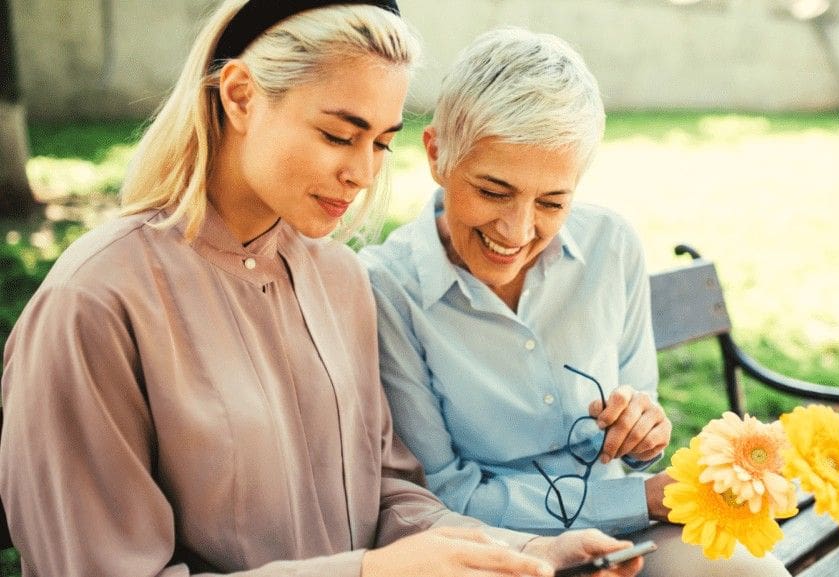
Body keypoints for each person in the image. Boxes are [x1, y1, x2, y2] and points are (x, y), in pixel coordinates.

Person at [0, 3, 643, 576]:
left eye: (381, 144)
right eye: (339, 135)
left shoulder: (339, 280)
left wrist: (520, 554)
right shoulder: (94, 304)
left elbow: (391, 497)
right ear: (242, 96)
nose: (362, 173)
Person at [360, 28, 792, 576]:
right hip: (496, 552)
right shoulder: (387, 288)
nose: (516, 231)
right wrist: (639, 499)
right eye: (493, 191)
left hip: (628, 539)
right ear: (437, 153)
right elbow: (443, 492)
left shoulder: (612, 245)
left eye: (552, 201)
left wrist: (642, 432)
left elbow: (639, 443)